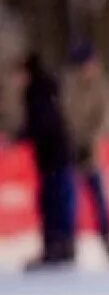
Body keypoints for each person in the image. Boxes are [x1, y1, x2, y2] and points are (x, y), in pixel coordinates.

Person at [61, 42, 109, 266]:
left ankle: (107, 241)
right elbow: (64, 116)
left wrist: (91, 140)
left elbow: (108, 116)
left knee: (98, 200)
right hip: (70, 151)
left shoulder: (102, 85)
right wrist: (73, 140)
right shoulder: (68, 86)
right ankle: (68, 242)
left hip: (92, 152)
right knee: (69, 201)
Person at [13, 53, 77, 271]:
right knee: (58, 202)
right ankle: (62, 245)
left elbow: (42, 123)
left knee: (52, 203)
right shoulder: (47, 88)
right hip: (54, 155)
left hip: (52, 157)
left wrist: (20, 135)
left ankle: (56, 246)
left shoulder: (36, 91)